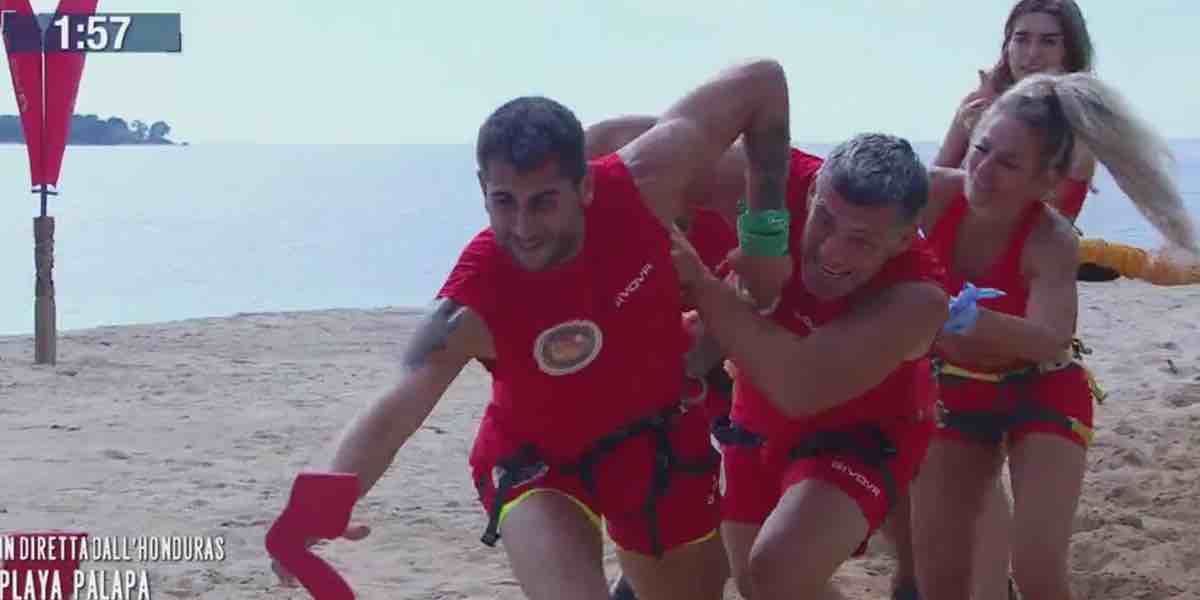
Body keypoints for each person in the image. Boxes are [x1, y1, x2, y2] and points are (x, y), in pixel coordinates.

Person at [269, 58, 796, 600]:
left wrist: (765, 238)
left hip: (657, 443)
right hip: (539, 463)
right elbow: (397, 402)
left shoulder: (643, 184)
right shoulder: (474, 296)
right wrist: (317, 503)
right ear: (483, 188)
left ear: (585, 185)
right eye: (504, 202)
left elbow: (762, 83)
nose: (523, 228)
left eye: (543, 202)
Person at [911, 71, 1199, 600]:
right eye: (982, 149)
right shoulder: (930, 193)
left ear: (1046, 183)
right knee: (939, 574)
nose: (983, 172)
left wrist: (967, 319)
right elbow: (839, 197)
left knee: (1036, 567)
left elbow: (1049, 338)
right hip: (954, 386)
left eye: (1008, 164)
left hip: (1042, 387)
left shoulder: (1051, 239)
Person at [672, 133, 950, 599]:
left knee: (777, 571)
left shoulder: (919, 295)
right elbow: (637, 155)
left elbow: (800, 388)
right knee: (756, 586)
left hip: (862, 431)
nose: (832, 251)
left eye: (861, 240)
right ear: (814, 188)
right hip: (754, 415)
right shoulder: (775, 179)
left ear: (903, 239)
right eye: (825, 218)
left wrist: (703, 284)